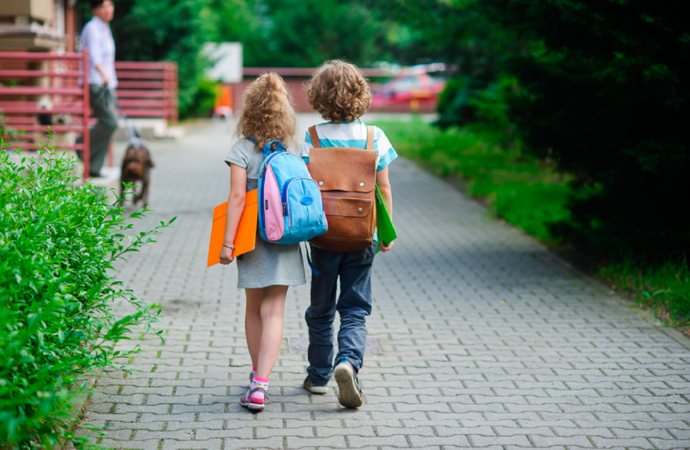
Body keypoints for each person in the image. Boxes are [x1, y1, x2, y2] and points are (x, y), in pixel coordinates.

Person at [301, 60, 397, 408]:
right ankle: (349, 362)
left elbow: (304, 190)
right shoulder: (375, 136)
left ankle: (318, 376)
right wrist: (385, 232)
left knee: (321, 308)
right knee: (355, 307)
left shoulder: (311, 137)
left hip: (324, 236)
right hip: (362, 236)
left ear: (319, 95)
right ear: (361, 94)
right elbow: (383, 190)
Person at [219, 73, 306, 412]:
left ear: (249, 110)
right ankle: (261, 384)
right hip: (286, 236)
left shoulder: (241, 149)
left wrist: (228, 244)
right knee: (275, 311)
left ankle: (257, 378)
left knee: (254, 308)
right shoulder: (295, 149)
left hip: (252, 239)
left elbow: (237, 199)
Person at [78, 0, 118, 178]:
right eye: (104, 6)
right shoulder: (92, 28)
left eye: (110, 5)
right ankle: (81, 144)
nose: (108, 10)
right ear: (95, 9)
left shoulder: (105, 28)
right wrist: (103, 75)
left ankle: (94, 167)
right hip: (96, 82)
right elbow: (93, 55)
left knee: (110, 124)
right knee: (110, 122)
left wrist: (110, 79)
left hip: (107, 83)